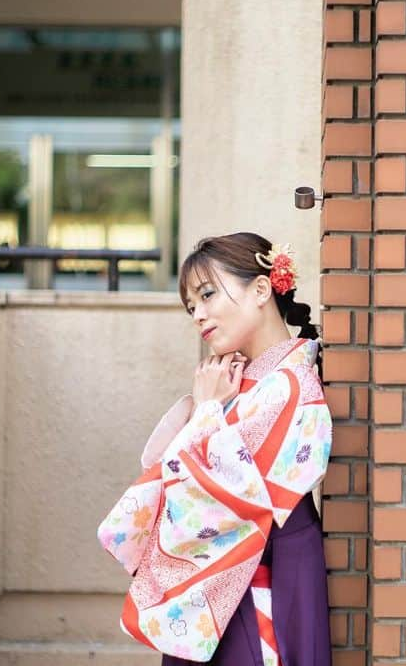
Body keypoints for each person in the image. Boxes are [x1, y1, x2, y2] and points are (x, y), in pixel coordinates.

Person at [98, 232, 333, 665]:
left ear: (261, 289)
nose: (198, 315)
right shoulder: (244, 380)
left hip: (260, 573)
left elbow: (211, 492)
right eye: (191, 306)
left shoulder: (290, 383)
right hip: (229, 574)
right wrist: (209, 409)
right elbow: (170, 471)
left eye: (207, 296)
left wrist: (208, 410)